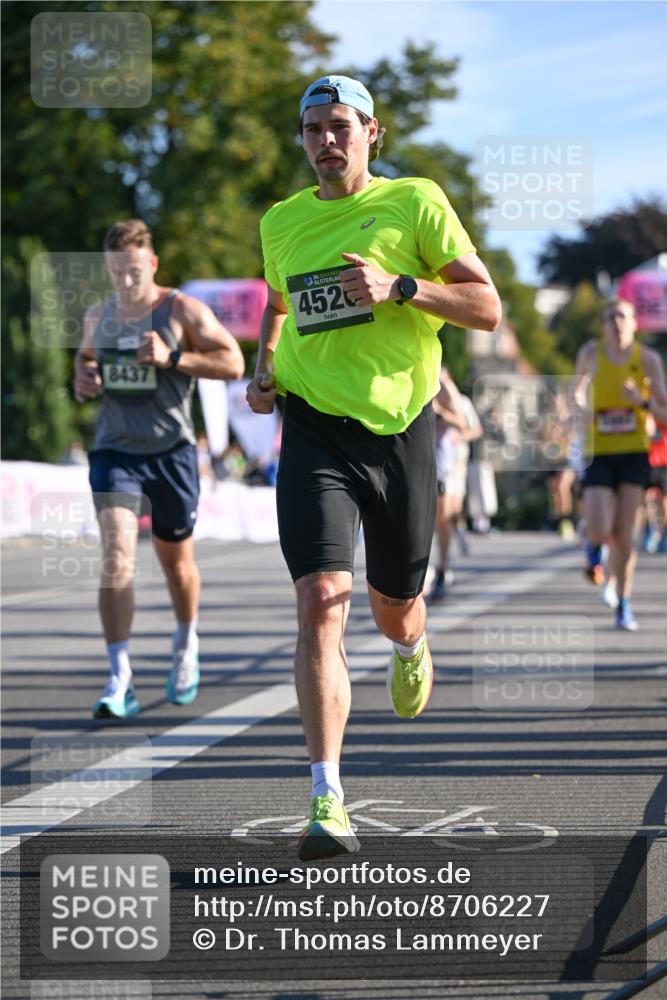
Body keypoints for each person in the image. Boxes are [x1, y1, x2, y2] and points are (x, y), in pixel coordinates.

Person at [246, 75, 501, 859]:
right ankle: (326, 797)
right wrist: (263, 368)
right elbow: (280, 304)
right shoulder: (281, 221)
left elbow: (485, 307)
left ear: (371, 133)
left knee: (394, 603)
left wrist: (400, 287)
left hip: (400, 428)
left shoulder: (415, 202)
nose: (325, 140)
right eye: (311, 128)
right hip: (314, 428)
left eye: (339, 127)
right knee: (323, 598)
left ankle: (408, 643)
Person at [74, 220, 245, 718]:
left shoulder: (182, 309)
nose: (124, 282)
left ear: (151, 264)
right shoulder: (97, 315)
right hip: (115, 451)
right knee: (117, 556)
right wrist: (83, 380)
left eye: (132, 271)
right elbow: (86, 362)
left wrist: (173, 357)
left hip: (170, 452)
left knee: (176, 564)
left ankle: (187, 641)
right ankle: (118, 676)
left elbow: (233, 363)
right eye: (114, 272)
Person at [573, 297, 667, 630]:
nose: (617, 321)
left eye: (623, 316)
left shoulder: (648, 360)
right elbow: (574, 391)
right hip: (599, 449)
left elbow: (663, 410)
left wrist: (639, 402)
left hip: (634, 452)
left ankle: (624, 604)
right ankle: (592, 545)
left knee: (624, 535)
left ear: (635, 323)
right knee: (600, 528)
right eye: (610, 316)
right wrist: (580, 406)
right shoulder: (590, 354)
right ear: (603, 324)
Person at [429, 368, 482, 601]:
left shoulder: (455, 397)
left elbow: (468, 426)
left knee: (446, 516)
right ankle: (434, 566)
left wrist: (440, 412)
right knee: (434, 518)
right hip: (421, 461)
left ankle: (442, 565)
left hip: (450, 465)